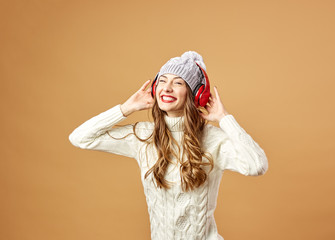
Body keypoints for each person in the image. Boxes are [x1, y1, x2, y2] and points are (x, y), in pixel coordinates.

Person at [68, 51, 268, 240]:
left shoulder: (213, 139)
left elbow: (257, 165)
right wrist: (125, 108)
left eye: (178, 82)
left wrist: (224, 119)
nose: (167, 87)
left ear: (195, 94)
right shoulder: (143, 135)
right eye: (162, 81)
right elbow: (80, 137)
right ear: (155, 89)